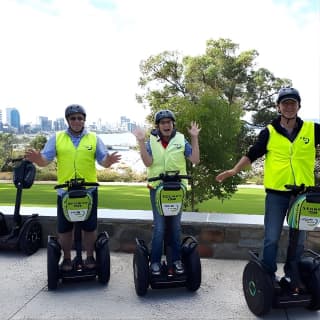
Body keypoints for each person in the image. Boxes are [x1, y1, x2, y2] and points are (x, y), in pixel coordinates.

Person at [216, 87, 320, 290]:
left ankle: (292, 276)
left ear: (299, 106)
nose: (289, 107)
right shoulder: (269, 132)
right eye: (285, 103)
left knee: (298, 241)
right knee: (271, 238)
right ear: (278, 107)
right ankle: (268, 276)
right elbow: (252, 154)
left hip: (303, 197)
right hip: (276, 195)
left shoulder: (312, 129)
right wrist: (233, 171)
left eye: (293, 103)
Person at [25, 104, 121, 271]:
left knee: (89, 227)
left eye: (80, 118)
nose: (77, 121)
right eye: (73, 118)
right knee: (65, 228)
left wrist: (109, 162)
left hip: (88, 190)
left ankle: (90, 256)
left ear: (84, 120)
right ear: (68, 120)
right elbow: (45, 160)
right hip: (65, 191)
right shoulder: (57, 138)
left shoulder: (93, 138)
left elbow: (103, 161)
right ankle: (67, 259)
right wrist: (37, 159)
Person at [133, 109, 201, 275]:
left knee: (176, 227)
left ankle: (176, 260)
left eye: (169, 122)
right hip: (157, 188)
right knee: (160, 227)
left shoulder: (180, 139)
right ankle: (155, 261)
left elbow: (195, 159)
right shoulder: (151, 141)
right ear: (158, 126)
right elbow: (148, 163)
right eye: (163, 122)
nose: (166, 125)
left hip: (177, 189)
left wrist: (194, 137)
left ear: (173, 124)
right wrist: (141, 141)